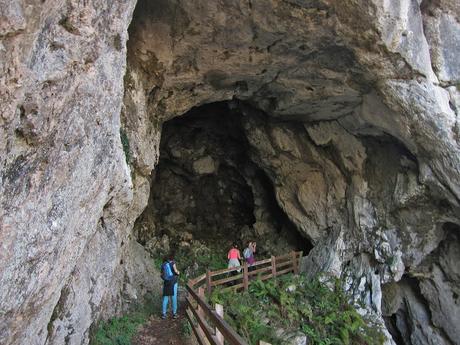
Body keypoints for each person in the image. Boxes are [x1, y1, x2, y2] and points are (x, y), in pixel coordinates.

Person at [160, 254, 180, 319]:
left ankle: (164, 314)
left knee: (165, 298)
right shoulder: (172, 263)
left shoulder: (163, 264)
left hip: (166, 283)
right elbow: (176, 271)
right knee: (174, 298)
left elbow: (161, 275)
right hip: (173, 282)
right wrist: (178, 272)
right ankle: (174, 314)